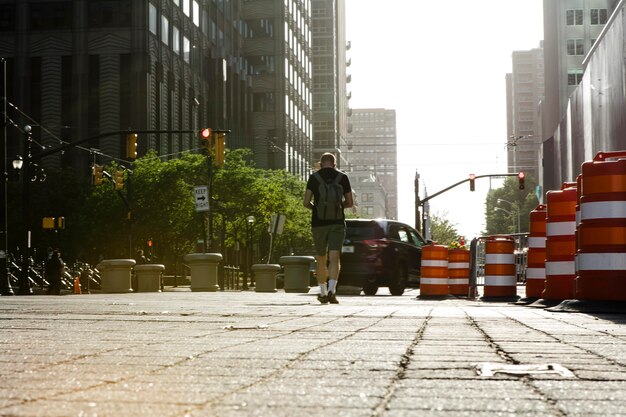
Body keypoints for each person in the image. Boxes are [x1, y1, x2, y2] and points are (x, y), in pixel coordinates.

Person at [303, 152, 353, 304]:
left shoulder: (314, 178)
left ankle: (323, 293)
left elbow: (305, 202)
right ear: (334, 163)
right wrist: (338, 208)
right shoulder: (342, 178)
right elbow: (350, 202)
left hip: (318, 223)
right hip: (337, 222)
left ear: (321, 163)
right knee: (334, 257)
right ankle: (332, 291)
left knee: (321, 258)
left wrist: (317, 209)